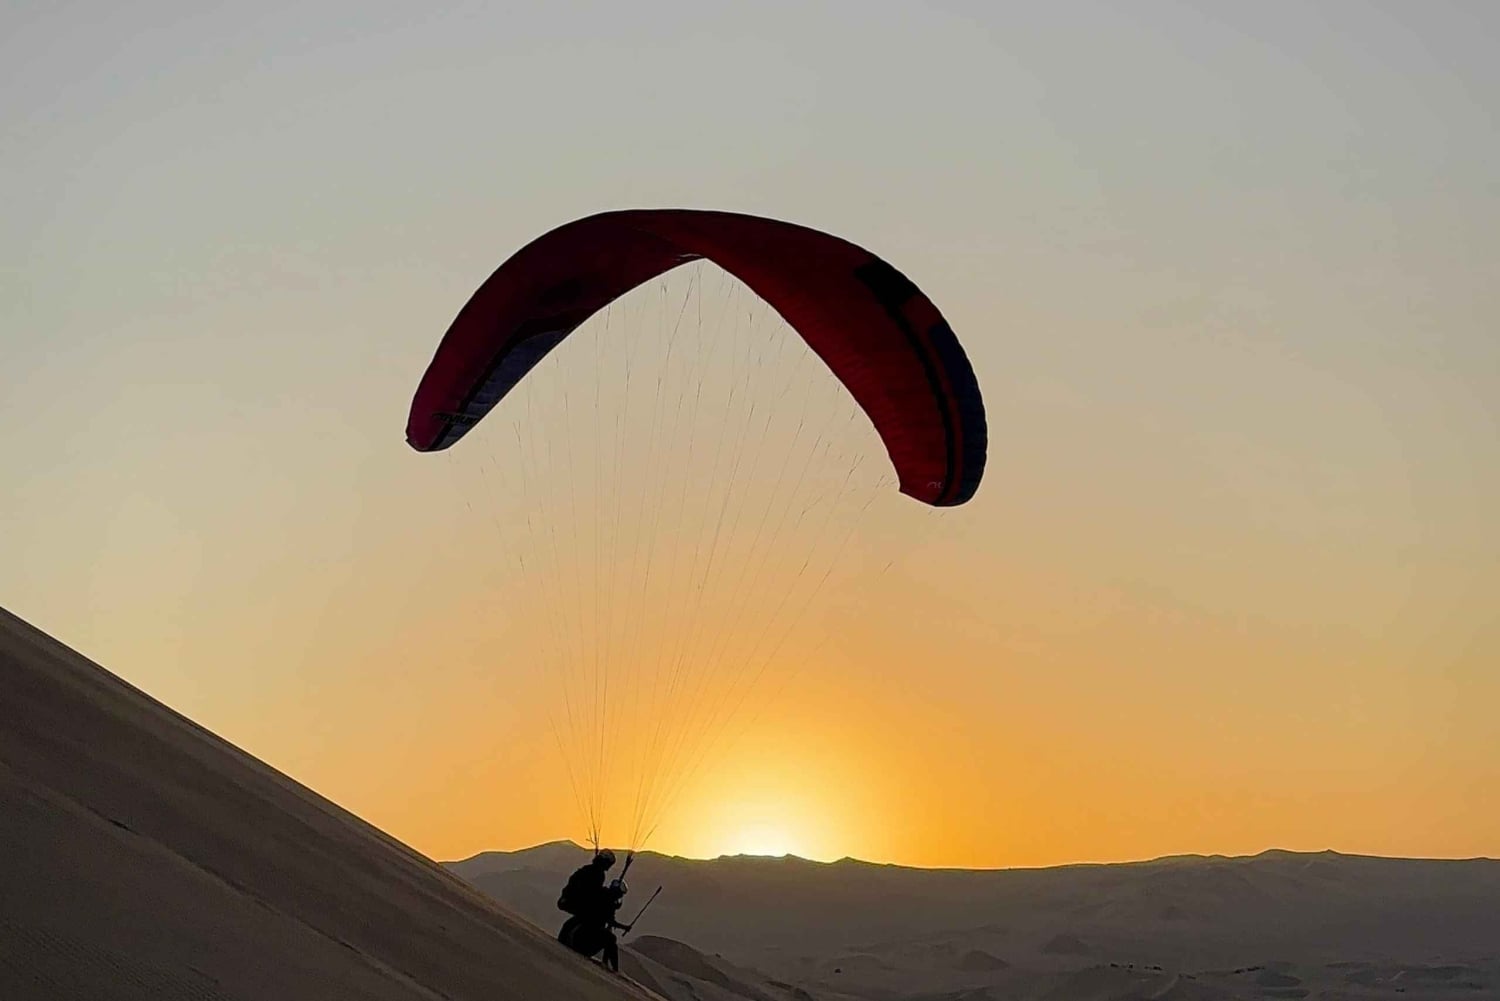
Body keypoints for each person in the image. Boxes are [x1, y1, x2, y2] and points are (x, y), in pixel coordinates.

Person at [557, 849, 632, 972]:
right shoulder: (597, 876)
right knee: (610, 939)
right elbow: (607, 916)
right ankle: (613, 970)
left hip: (578, 912)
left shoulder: (587, 870)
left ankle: (607, 965)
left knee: (605, 935)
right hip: (583, 921)